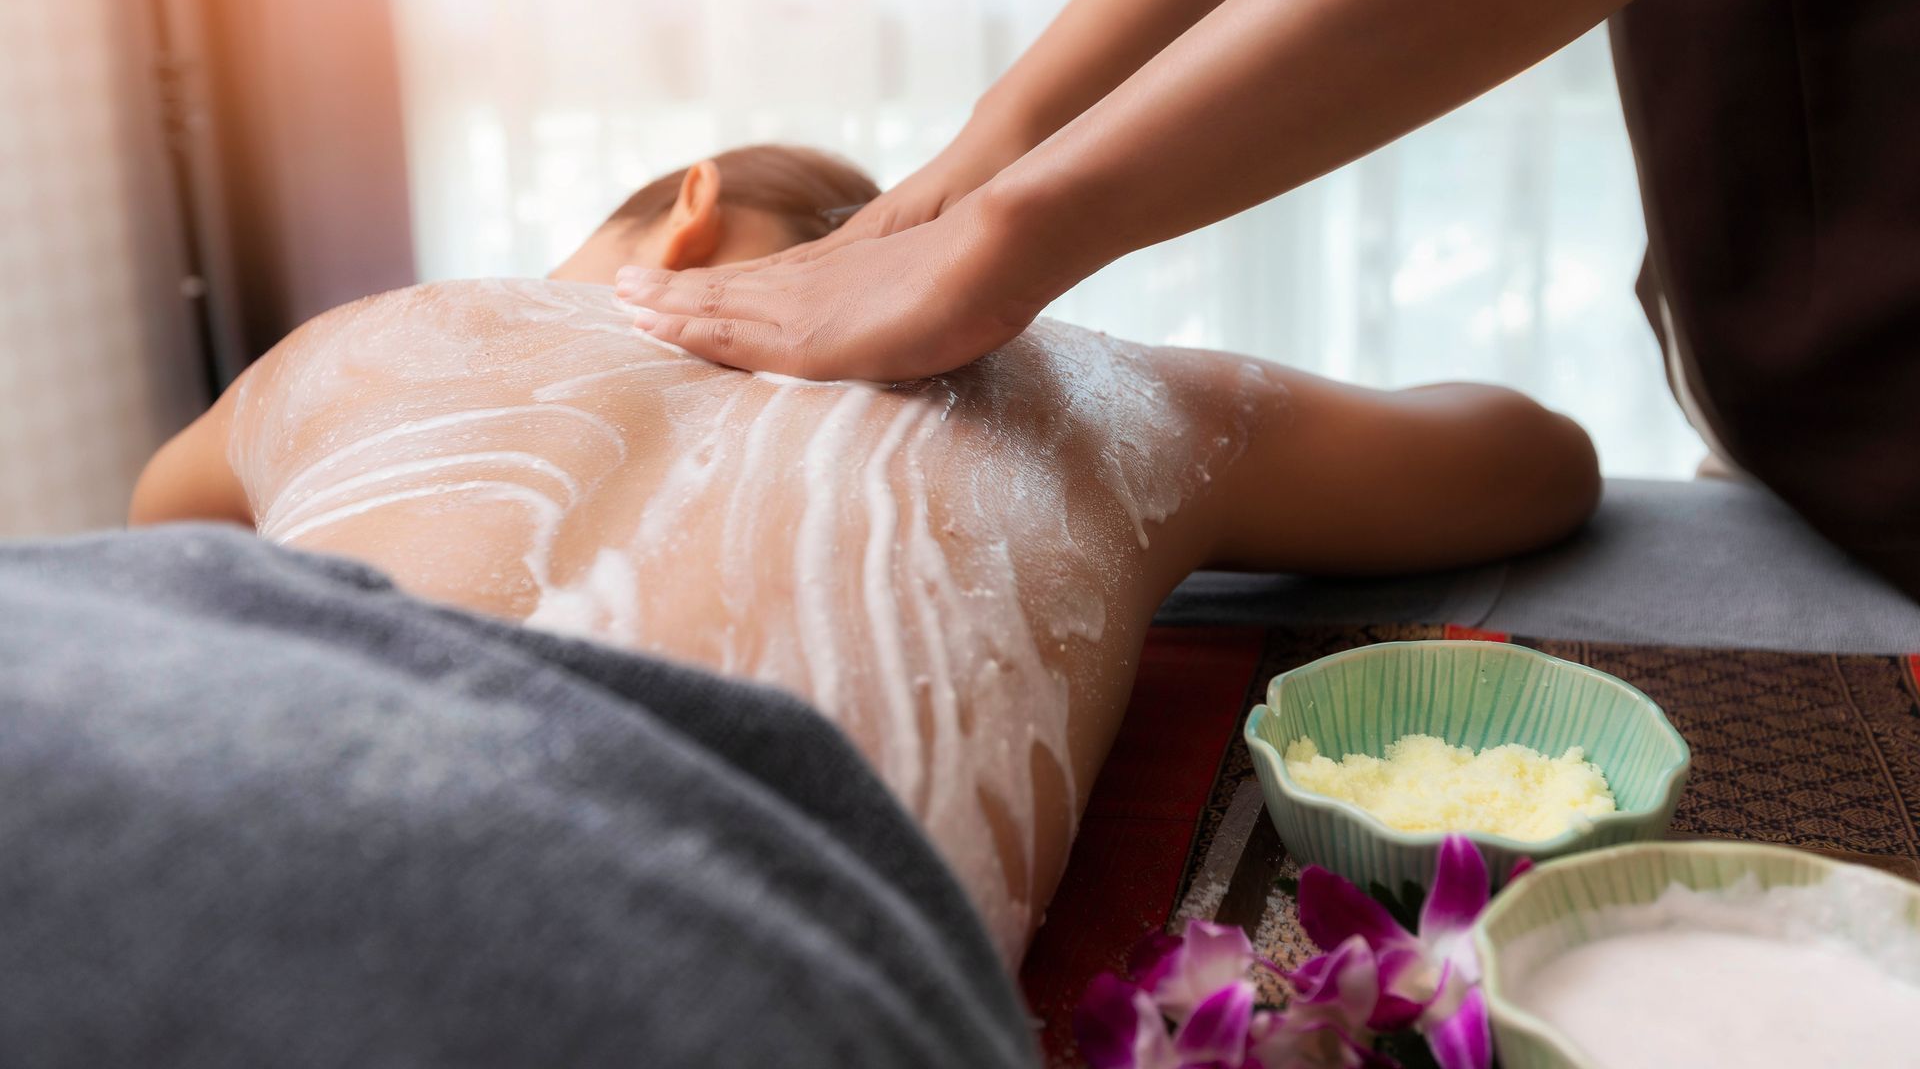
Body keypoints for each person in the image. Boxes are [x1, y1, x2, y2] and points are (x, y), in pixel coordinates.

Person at [131, 143, 1599, 967]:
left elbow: (160, 545)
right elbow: (1533, 460)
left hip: (185, 856)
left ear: (690, 207)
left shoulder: (378, 337)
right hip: (728, 976)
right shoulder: (1091, 387)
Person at [611, 0, 1917, 600]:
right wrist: (995, 161)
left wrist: (1011, 221)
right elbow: (1539, 460)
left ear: (690, 224)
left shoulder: (480, 342)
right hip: (1804, 417)